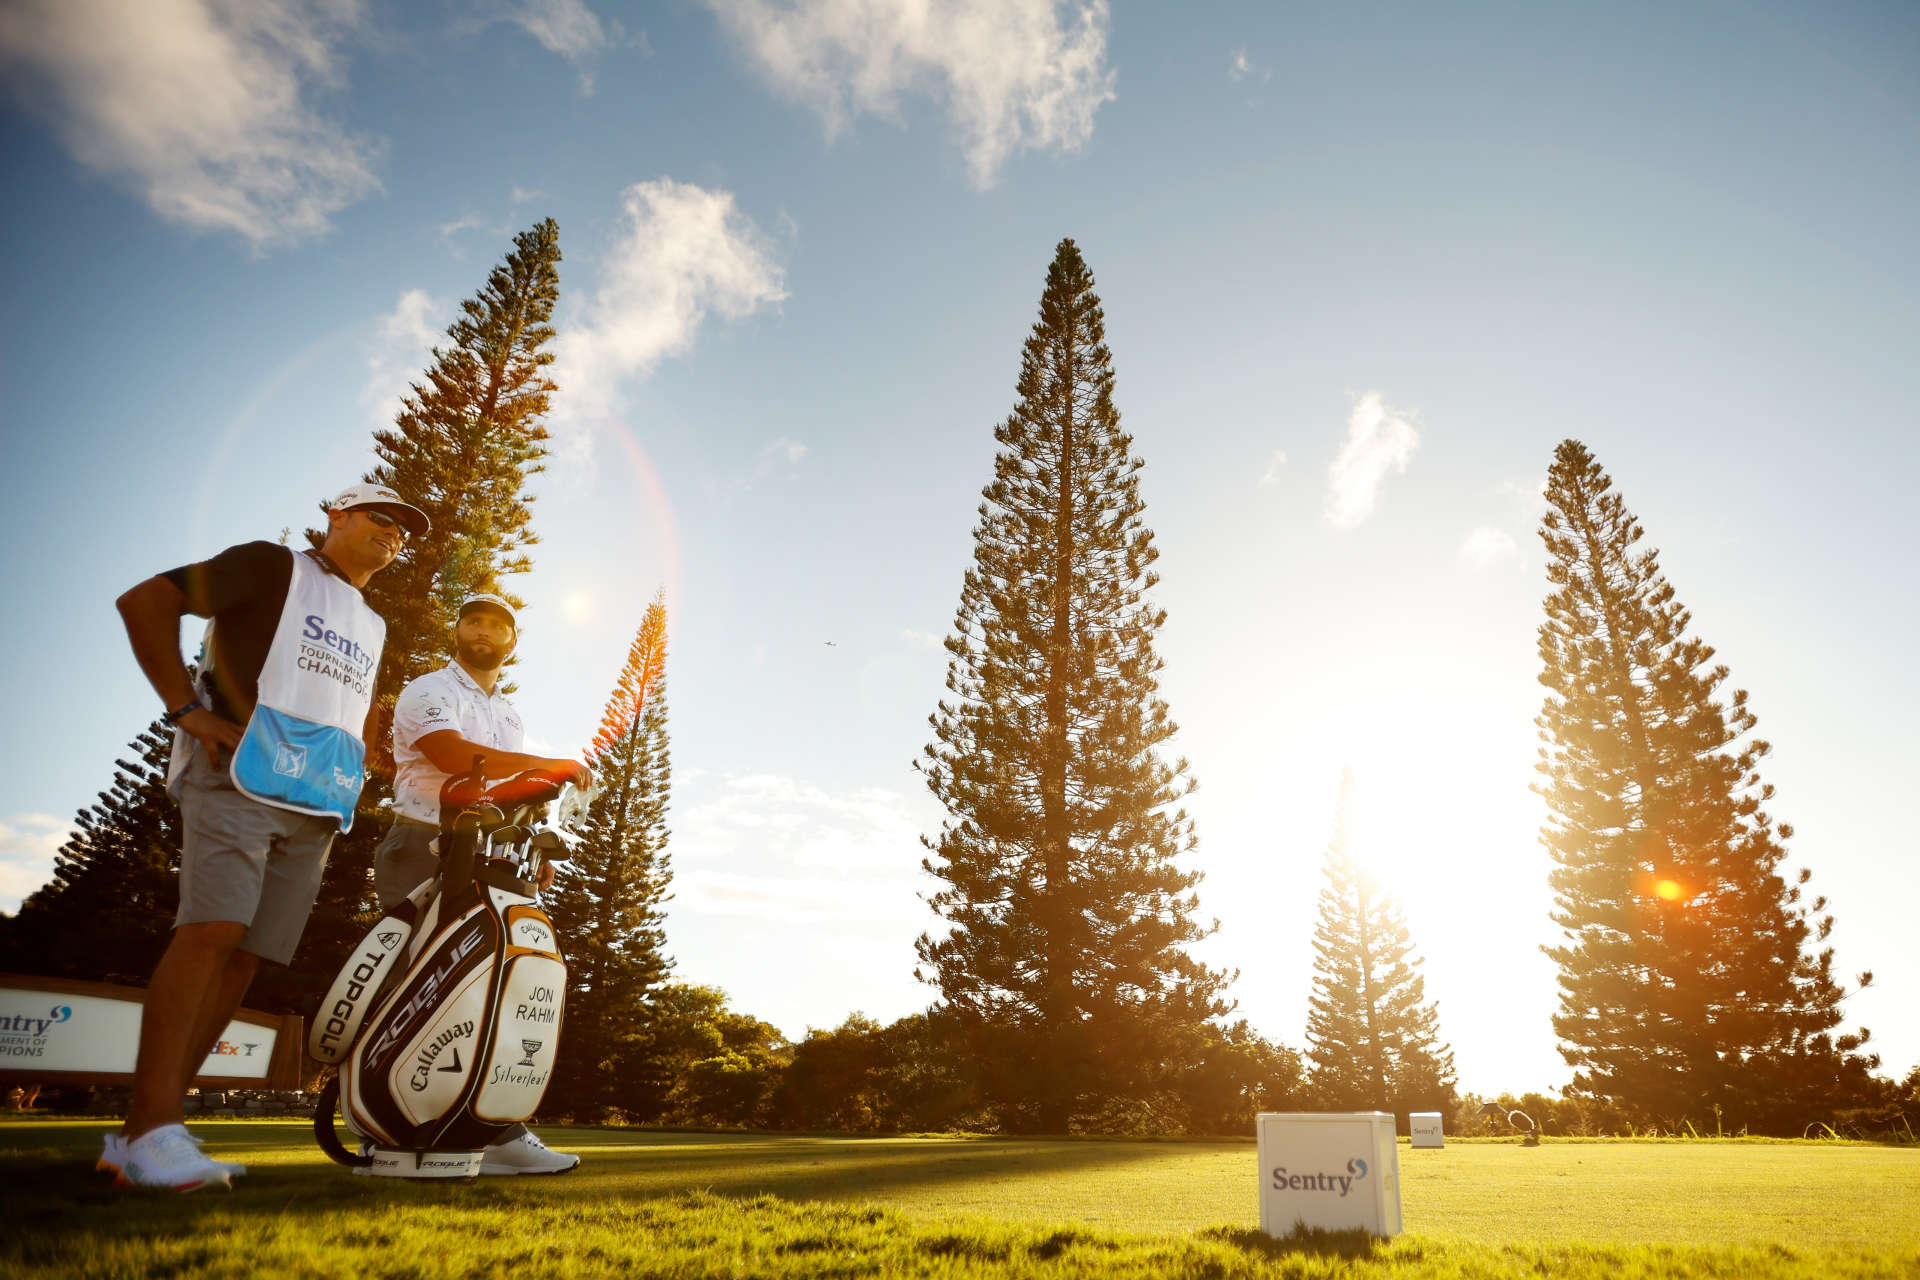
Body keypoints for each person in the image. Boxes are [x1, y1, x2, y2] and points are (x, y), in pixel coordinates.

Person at [105, 483, 427, 1191]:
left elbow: (347, 706)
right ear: (337, 514)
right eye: (381, 515)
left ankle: (141, 1135)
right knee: (210, 930)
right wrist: (186, 709)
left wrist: (367, 755)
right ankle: (154, 1128)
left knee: (246, 956)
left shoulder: (373, 622)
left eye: (404, 529)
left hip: (314, 803)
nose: (394, 532)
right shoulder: (269, 564)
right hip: (236, 774)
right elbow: (145, 601)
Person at [372, 591, 591, 1174]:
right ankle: (382, 1128)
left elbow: (505, 790)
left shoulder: (509, 714)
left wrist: (528, 846)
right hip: (422, 842)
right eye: (474, 620)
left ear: (512, 642)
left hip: (490, 856)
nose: (485, 631)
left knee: (485, 992)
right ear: (458, 631)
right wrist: (549, 765)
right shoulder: (430, 689)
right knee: (409, 986)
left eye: (498, 625)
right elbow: (449, 756)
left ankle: (492, 1134)